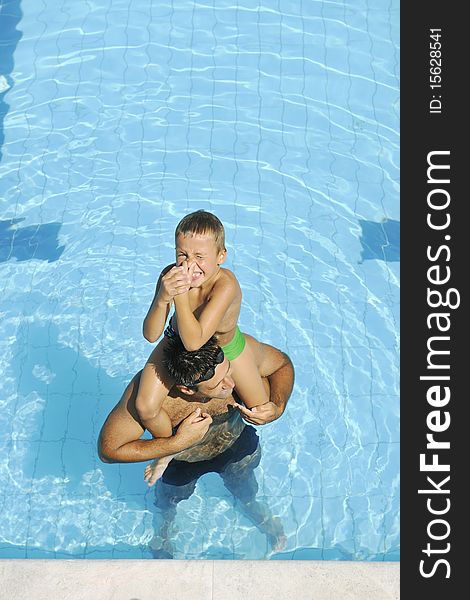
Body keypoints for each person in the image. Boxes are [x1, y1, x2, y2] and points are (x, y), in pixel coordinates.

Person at [98, 333, 294, 556]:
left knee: (246, 488)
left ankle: (254, 508)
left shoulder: (238, 354)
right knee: (168, 502)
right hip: (182, 460)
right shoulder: (154, 399)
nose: (231, 383)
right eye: (218, 385)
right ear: (186, 389)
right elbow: (108, 450)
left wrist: (278, 405)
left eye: (228, 370)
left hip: (234, 443)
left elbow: (282, 364)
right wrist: (177, 442)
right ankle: (164, 531)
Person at [135, 210, 271, 481]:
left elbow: (196, 341)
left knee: (260, 409)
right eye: (182, 255)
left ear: (221, 256)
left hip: (224, 347)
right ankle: (170, 450)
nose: (189, 265)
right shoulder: (170, 276)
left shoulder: (225, 284)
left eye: (200, 257)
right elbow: (150, 335)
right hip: (176, 342)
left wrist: (181, 298)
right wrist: (163, 297)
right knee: (145, 406)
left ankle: (261, 368)